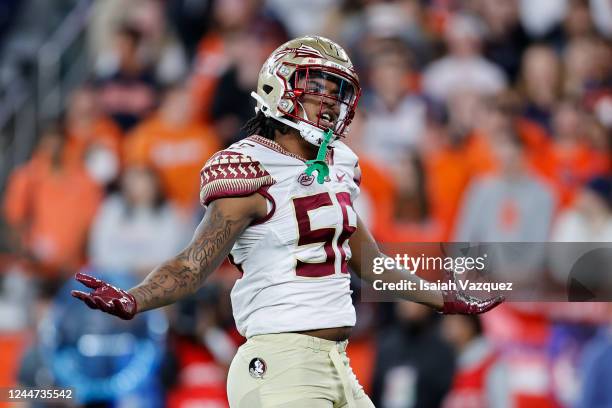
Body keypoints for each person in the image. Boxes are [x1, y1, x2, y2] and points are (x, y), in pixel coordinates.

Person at [72, 36, 503, 408]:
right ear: (279, 88)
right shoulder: (248, 168)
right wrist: (135, 298)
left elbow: (373, 266)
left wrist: (443, 298)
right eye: (318, 87)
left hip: (334, 361)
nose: (331, 100)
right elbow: (192, 266)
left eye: (337, 90)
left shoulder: (341, 164)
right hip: (280, 362)